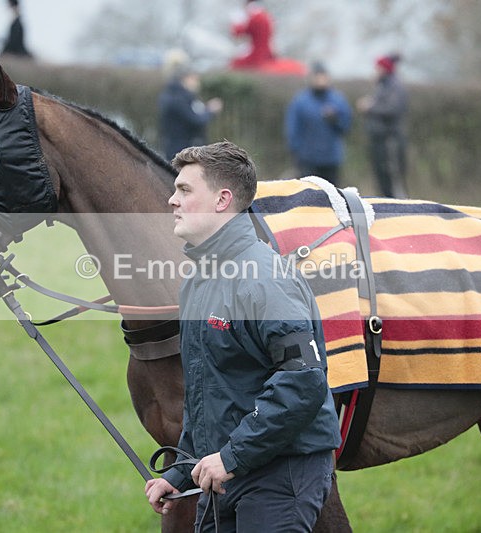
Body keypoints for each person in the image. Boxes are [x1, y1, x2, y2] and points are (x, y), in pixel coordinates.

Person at [145, 141, 341, 531]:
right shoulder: (197, 281)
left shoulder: (265, 279)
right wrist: (181, 472)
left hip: (279, 473)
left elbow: (303, 380)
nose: (172, 200)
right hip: (224, 472)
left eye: (184, 190)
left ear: (222, 200)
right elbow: (207, 395)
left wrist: (232, 456)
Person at [284, 62, 353, 186]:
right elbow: (293, 129)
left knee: (332, 193)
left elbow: (346, 126)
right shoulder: (300, 101)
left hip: (331, 159)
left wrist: (335, 119)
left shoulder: (337, 100)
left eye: (323, 77)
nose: (320, 80)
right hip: (308, 159)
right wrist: (296, 152)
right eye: (317, 77)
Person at [357, 53, 409, 198]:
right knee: (383, 182)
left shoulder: (395, 86)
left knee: (393, 180)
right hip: (380, 140)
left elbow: (393, 109)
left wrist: (370, 107)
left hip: (390, 141)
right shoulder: (383, 86)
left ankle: (400, 208)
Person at [158, 67, 223, 162]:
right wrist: (210, 111)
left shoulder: (180, 95)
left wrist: (206, 110)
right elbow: (195, 120)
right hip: (180, 150)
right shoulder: (177, 98)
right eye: (195, 79)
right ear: (185, 78)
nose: (197, 83)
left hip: (183, 148)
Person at [230, 0, 275, 70]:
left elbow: (239, 32)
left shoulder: (255, 17)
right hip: (266, 52)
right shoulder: (265, 16)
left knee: (235, 63)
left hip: (256, 54)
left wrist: (236, 23)